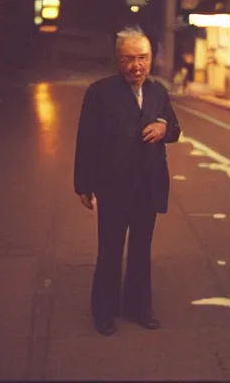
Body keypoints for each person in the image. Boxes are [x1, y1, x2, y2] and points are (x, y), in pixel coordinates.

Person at [74, 26, 181, 336]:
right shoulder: (100, 92)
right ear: (118, 61)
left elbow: (174, 128)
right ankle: (104, 312)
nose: (137, 66)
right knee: (109, 249)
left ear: (151, 59)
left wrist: (163, 128)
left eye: (143, 58)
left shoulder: (158, 91)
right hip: (113, 185)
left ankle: (138, 307)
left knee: (141, 248)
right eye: (129, 59)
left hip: (149, 184)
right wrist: (83, 184)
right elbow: (86, 139)